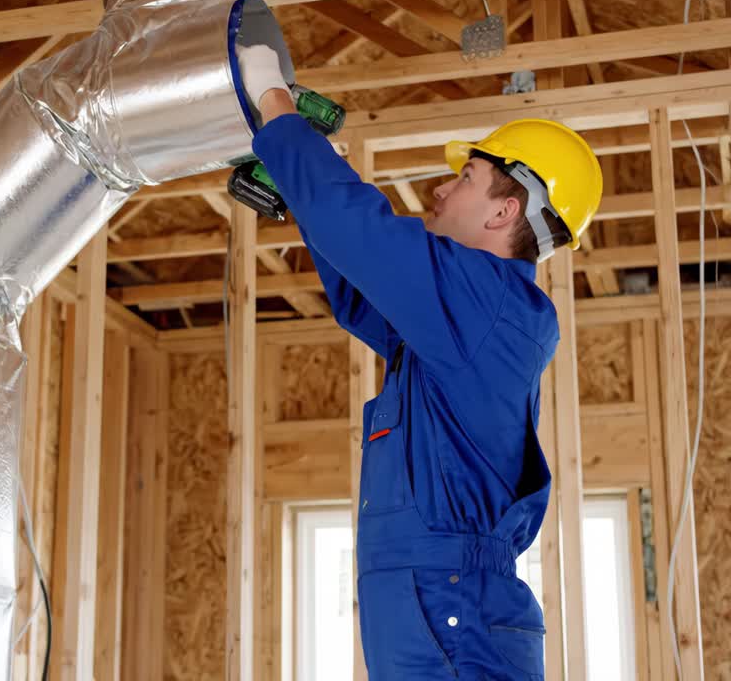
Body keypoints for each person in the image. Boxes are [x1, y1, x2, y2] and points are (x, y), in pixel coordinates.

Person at [237, 44, 603, 680]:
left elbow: (365, 238)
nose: (441, 187)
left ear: (503, 210)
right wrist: (299, 167)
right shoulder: (461, 318)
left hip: (452, 605)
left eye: (464, 178)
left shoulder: (493, 306)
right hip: (439, 605)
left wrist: (275, 104)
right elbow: (359, 282)